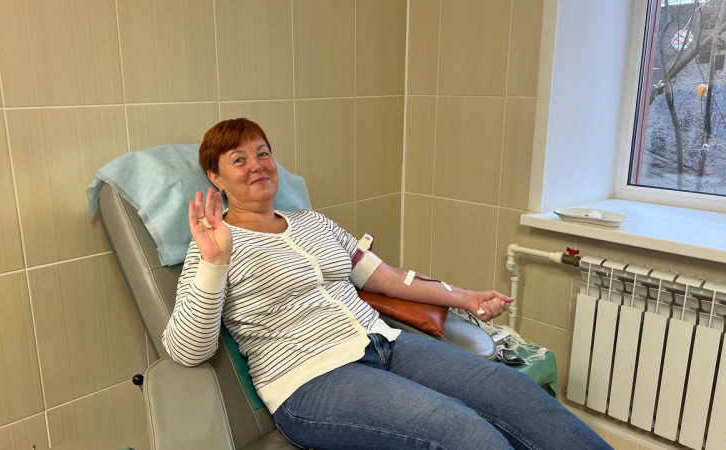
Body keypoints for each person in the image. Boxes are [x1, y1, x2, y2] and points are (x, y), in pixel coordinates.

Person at [163, 118, 610, 450]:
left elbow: (389, 279)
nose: (257, 165)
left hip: (384, 344)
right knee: (464, 432)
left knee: (513, 392)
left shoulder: (312, 222)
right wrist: (215, 264)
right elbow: (186, 349)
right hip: (311, 380)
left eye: (263, 153)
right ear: (216, 179)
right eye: (239, 160)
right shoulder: (214, 246)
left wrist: (466, 298)